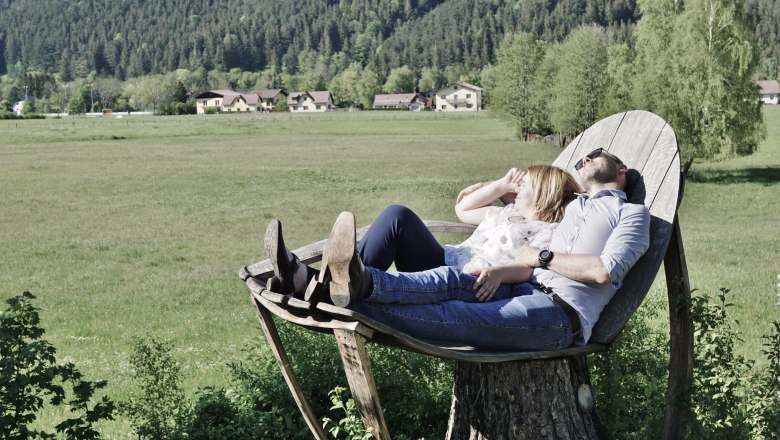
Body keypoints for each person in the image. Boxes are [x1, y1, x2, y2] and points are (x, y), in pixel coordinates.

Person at [291, 148, 651, 351]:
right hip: (517, 285)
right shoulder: (576, 208)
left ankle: (333, 293)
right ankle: (354, 281)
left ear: (620, 168)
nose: (585, 160)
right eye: (581, 159)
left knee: (450, 315)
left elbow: (605, 270)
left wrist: (542, 258)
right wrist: (504, 191)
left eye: (594, 155)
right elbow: (481, 207)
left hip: (560, 314)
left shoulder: (632, 214)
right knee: (446, 279)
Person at [265, 165, 580, 299]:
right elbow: (464, 209)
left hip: (462, 282)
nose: (518, 185)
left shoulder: (548, 231)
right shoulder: (504, 214)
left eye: (527, 184)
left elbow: (531, 267)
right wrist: (498, 186)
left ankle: (303, 277)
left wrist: (498, 273)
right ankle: (325, 280)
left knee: (397, 216)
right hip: (441, 260)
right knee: (396, 215)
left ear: (547, 195)